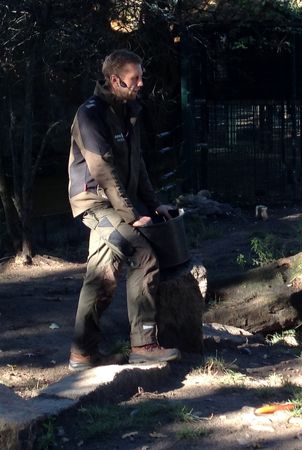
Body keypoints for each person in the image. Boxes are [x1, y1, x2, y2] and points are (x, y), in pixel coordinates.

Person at [67, 49, 180, 370]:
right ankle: (144, 344)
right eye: (135, 78)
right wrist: (132, 215)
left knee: (101, 276)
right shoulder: (90, 115)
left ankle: (82, 354)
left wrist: (153, 202)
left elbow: (136, 163)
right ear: (115, 80)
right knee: (144, 257)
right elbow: (103, 170)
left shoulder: (128, 109)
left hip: (116, 203)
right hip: (96, 203)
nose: (142, 83)